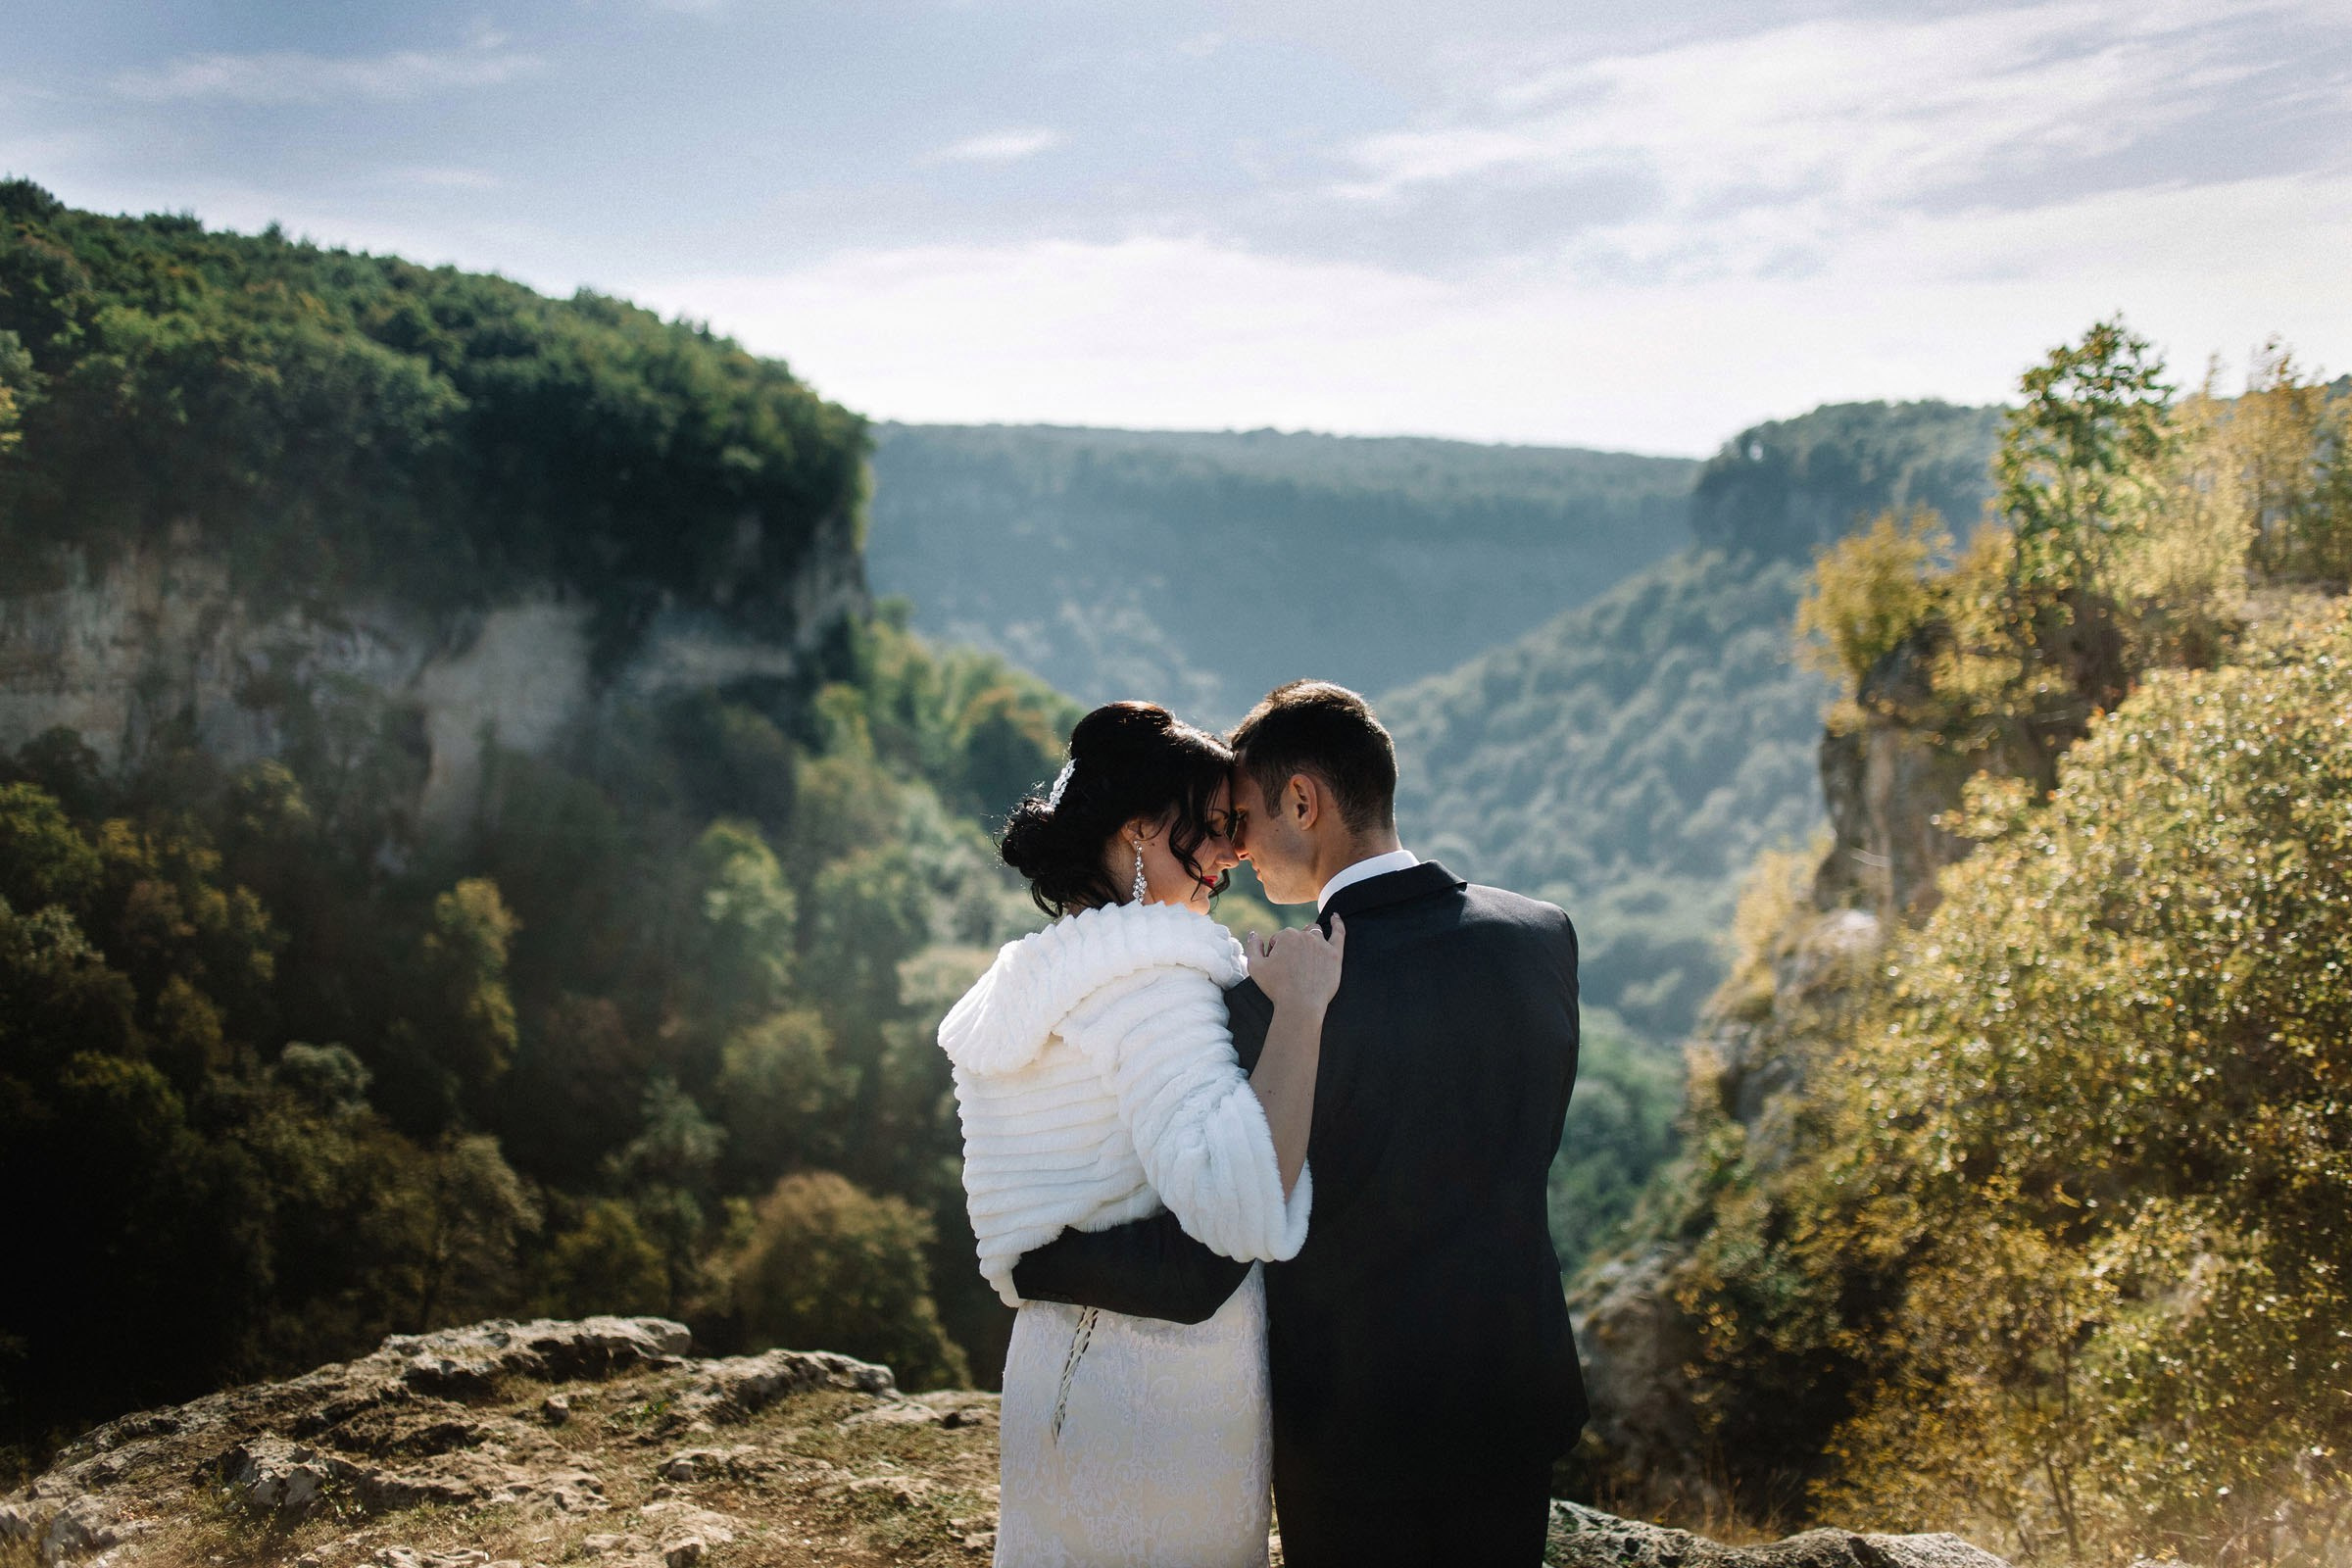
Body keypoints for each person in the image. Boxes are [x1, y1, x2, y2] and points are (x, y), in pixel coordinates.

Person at [1011, 679, 1588, 1568]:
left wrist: (1034, 1253)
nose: (1231, 848)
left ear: (1304, 801)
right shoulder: (1543, 935)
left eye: (1238, 816)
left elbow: (1215, 1241)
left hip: (1355, 1431)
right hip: (1515, 1393)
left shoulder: (1264, 1004)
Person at [939, 700, 1345, 1568]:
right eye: (1212, 825)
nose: (1233, 851)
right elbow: (1237, 1203)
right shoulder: (1153, 981)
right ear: (1138, 832)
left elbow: (1024, 1223)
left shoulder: (1043, 977)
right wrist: (1302, 1013)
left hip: (1053, 1360)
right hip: (1161, 1393)